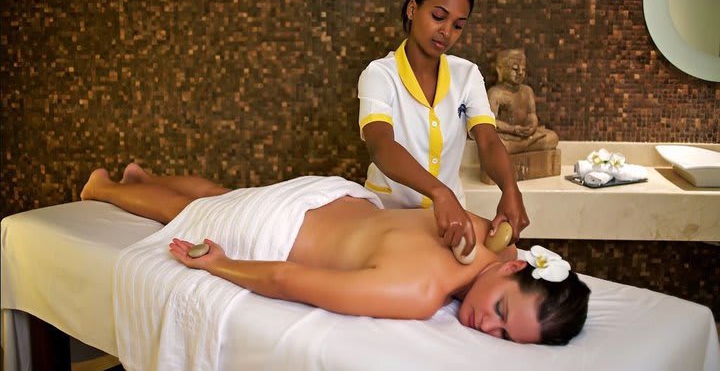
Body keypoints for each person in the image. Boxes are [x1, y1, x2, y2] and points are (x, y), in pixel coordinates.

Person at [81, 164, 590, 345]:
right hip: (279, 227)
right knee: (185, 211)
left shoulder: (486, 234)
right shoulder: (417, 292)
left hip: (327, 195)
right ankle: (102, 189)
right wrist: (218, 264)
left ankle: (140, 178)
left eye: (505, 335)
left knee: (218, 195)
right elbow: (284, 278)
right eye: (501, 311)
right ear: (516, 269)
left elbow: (507, 245)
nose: (486, 326)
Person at [357, 0, 529, 259]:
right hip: (389, 218)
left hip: (450, 223)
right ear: (413, 9)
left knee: (506, 260)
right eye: (438, 17)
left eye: (458, 25)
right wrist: (439, 192)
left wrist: (510, 190)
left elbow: (487, 141)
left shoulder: (467, 75)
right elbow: (380, 145)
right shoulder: (380, 75)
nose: (447, 32)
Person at [488, 49, 559, 155]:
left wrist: (532, 125)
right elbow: (490, 122)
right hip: (506, 135)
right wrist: (513, 129)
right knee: (495, 143)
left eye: (523, 70)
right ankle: (524, 145)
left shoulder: (527, 91)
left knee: (552, 138)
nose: (520, 73)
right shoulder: (496, 93)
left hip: (524, 135)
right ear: (500, 70)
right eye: (515, 69)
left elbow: (531, 114)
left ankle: (519, 147)